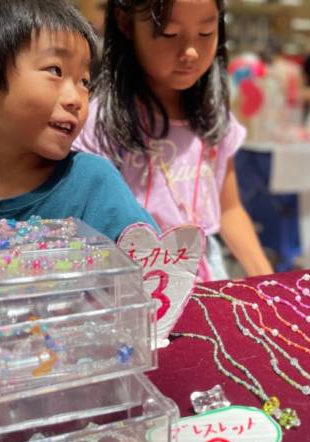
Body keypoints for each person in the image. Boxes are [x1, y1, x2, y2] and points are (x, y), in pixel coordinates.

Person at [0, 0, 157, 242]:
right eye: (55, 71)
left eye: (84, 81)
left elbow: (158, 272)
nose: (77, 99)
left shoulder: (94, 185)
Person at [74, 0, 273, 281]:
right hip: (130, 281)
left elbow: (229, 209)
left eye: (206, 33)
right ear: (125, 22)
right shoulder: (100, 122)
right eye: (169, 33)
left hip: (205, 273)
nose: (191, 52)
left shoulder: (213, 115)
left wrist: (266, 280)